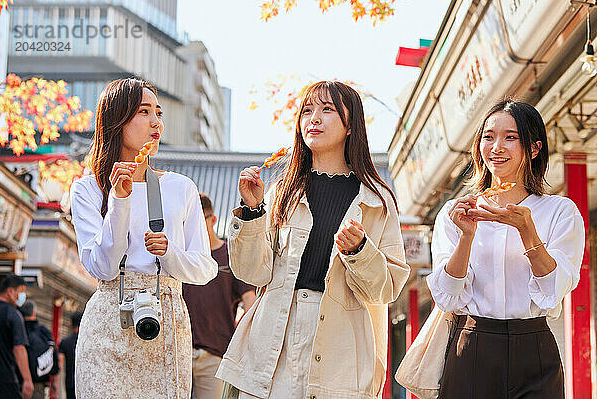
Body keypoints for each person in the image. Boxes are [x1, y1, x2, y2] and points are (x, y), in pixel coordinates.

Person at [216, 81, 410, 399]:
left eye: (327, 110)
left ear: (351, 126)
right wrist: (253, 212)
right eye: (307, 110)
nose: (313, 118)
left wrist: (360, 251)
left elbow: (385, 289)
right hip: (275, 337)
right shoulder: (283, 192)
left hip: (341, 342)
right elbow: (254, 274)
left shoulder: (377, 200)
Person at [70, 78, 218, 398]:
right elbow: (105, 268)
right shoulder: (88, 189)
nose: (156, 123)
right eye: (143, 112)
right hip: (109, 322)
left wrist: (169, 252)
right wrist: (119, 203)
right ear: (116, 119)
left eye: (159, 113)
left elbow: (206, 269)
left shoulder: (181, 187)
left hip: (166, 323)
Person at [427, 100, 585, 399]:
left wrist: (527, 230)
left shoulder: (559, 211)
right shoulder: (457, 212)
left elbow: (555, 288)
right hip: (472, 346)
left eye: (510, 137)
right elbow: (447, 295)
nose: (497, 147)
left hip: (535, 348)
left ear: (534, 148)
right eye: (488, 137)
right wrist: (466, 237)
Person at [183, 193, 256, 399]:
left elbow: (250, 301)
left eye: (199, 221)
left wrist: (241, 336)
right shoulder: (182, 257)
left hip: (215, 355)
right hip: (179, 353)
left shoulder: (229, 256)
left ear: (212, 219)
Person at [0, 274, 33, 399]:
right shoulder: (13, 314)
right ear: (10, 291)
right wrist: (27, 380)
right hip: (5, 379)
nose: (23, 296)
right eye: (21, 291)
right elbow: (19, 349)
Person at [19, 300, 59, 399]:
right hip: (39, 384)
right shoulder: (43, 331)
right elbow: (53, 354)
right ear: (34, 313)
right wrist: (55, 381)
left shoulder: (17, 330)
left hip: (18, 382)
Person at [58, 311, 82, 399]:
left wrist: (55, 383)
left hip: (70, 382)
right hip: (84, 382)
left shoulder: (65, 342)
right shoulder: (88, 343)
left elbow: (59, 364)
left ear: (71, 325)